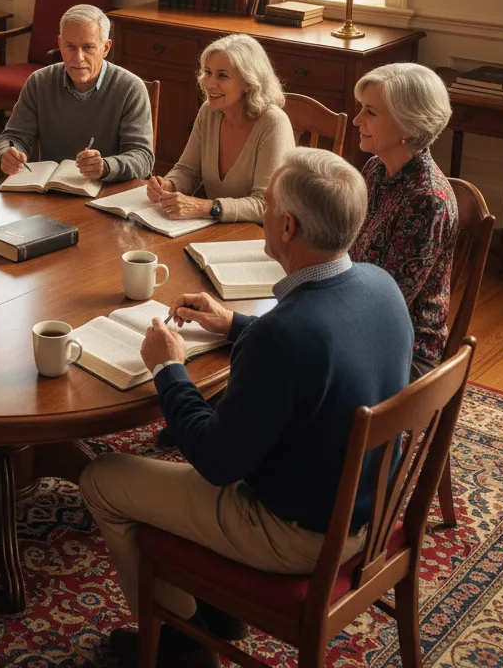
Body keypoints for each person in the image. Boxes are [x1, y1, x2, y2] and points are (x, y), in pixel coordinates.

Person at [80, 148, 413, 668]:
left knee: (101, 479)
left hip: (299, 535)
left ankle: (180, 645)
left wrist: (169, 368)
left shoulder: (285, 336)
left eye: (268, 206)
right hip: (372, 512)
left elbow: (215, 462)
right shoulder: (381, 286)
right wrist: (234, 325)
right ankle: (218, 610)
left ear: (286, 225)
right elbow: (324, 350)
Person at [350, 62, 459, 378]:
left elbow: (387, 304)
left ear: (409, 126)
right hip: (360, 319)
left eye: (371, 112)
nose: (357, 120)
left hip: (403, 349)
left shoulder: (428, 201)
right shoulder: (376, 169)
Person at [0, 4, 154, 183]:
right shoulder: (39, 82)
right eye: (70, 46)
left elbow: (143, 158)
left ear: (106, 48)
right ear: (60, 44)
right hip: (50, 193)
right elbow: (12, 138)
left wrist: (106, 167)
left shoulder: (130, 88)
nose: (78, 58)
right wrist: (6, 155)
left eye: (88, 47)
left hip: (109, 193)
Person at [146, 34, 294, 223]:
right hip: (216, 230)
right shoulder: (209, 111)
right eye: (207, 72)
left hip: (262, 238)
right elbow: (189, 170)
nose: (208, 83)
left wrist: (208, 207)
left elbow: (266, 205)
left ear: (249, 82)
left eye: (222, 75)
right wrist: (169, 185)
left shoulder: (273, 123)